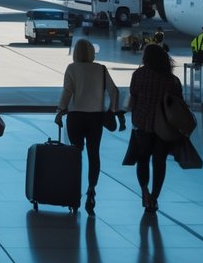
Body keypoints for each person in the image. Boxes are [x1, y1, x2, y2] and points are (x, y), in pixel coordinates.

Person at [55, 39, 125, 215]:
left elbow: (68, 91)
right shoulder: (100, 69)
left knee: (75, 154)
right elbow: (114, 91)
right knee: (94, 155)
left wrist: (61, 110)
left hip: (76, 117)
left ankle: (73, 194)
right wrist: (112, 110)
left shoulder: (72, 68)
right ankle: (91, 189)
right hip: (95, 118)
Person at [126, 43, 182, 213]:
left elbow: (133, 94)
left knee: (142, 159)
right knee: (159, 162)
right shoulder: (171, 80)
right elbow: (178, 102)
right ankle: (155, 197)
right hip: (164, 126)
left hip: (142, 123)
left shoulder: (138, 75)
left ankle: (144, 191)